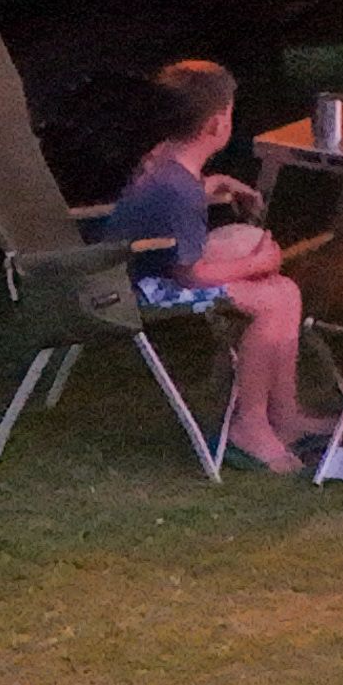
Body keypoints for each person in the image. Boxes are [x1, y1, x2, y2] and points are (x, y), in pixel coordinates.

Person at [106, 63, 310, 472]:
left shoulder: (168, 162)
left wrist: (212, 183)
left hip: (141, 261)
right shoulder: (177, 190)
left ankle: (285, 416)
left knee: (280, 285)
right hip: (140, 283)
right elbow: (190, 274)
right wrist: (254, 264)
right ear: (218, 125)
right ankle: (249, 426)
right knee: (273, 298)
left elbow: (170, 225)